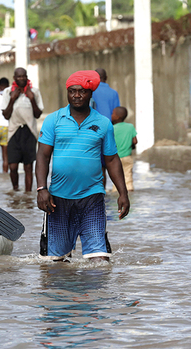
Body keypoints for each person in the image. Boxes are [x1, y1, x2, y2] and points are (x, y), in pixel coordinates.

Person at [36, 70, 130, 261]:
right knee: (56, 263)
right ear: (67, 93)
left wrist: (123, 192)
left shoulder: (103, 123)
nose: (77, 95)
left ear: (90, 94)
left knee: (99, 262)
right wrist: (41, 188)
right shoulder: (53, 120)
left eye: (82, 91)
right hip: (58, 200)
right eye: (72, 91)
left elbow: (112, 160)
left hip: (92, 197)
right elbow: (42, 156)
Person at [2, 67, 44, 191]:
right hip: (13, 132)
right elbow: (6, 115)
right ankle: (15, 190)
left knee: (28, 166)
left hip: (29, 132)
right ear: (14, 78)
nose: (21, 79)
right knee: (13, 166)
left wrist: (31, 99)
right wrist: (12, 99)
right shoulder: (8, 92)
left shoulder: (34, 92)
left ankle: (28, 194)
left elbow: (37, 114)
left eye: (23, 76)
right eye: (19, 77)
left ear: (27, 77)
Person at [111, 106, 137, 192]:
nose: (111, 115)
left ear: (117, 117)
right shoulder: (130, 127)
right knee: (128, 175)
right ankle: (129, 188)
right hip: (127, 157)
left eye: (113, 113)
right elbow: (135, 141)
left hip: (115, 158)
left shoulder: (112, 128)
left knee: (116, 177)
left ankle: (116, 191)